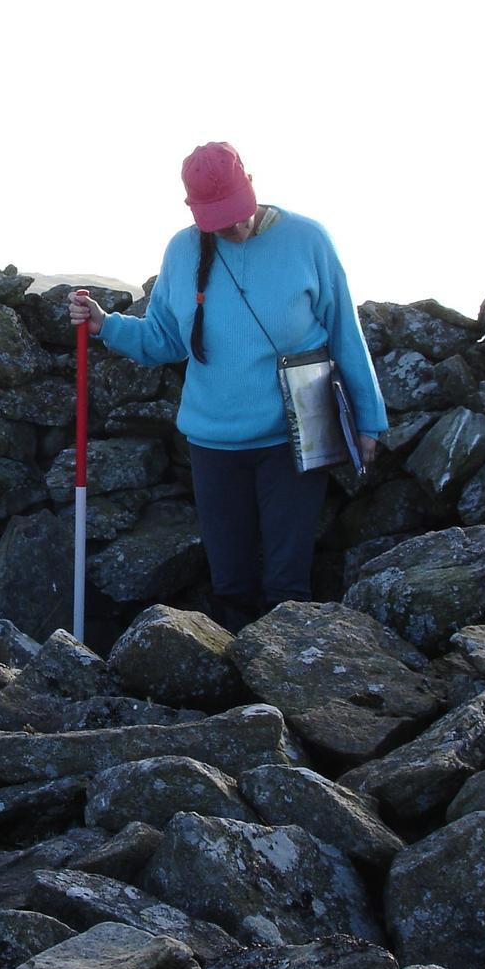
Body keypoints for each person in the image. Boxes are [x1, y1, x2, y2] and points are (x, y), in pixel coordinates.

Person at [69, 141, 388, 631]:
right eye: (219, 218)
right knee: (231, 586)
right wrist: (105, 324)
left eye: (238, 213)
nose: (235, 227)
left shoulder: (308, 241)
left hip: (294, 438)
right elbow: (164, 339)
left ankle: (292, 696)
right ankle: (237, 704)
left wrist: (368, 421)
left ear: (253, 185)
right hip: (213, 445)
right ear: (194, 210)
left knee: (288, 588)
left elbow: (346, 332)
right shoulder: (183, 250)